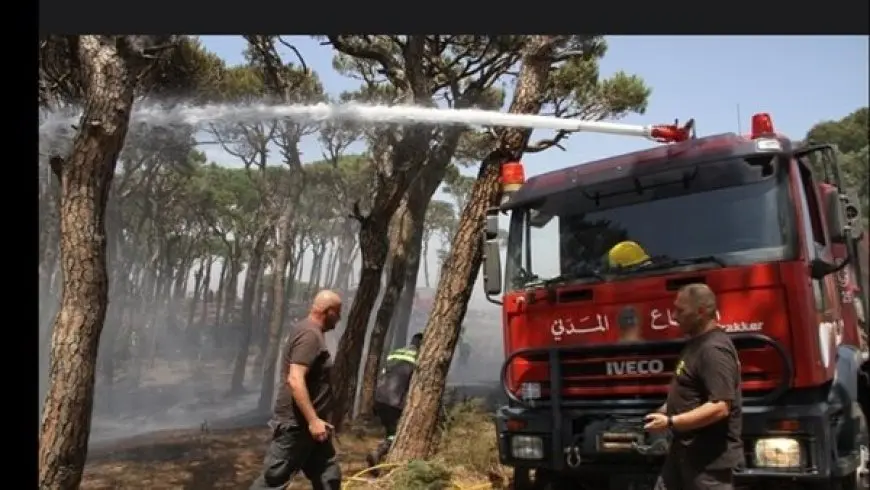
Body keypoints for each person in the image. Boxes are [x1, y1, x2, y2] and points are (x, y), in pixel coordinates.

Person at [644, 283, 743, 490]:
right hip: (683, 453)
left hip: (707, 461)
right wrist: (665, 409)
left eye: (681, 310)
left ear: (701, 312)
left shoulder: (714, 349)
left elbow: (720, 406)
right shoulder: (695, 345)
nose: (674, 316)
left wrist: (672, 421)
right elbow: (691, 389)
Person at [249, 290, 343, 490]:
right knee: (274, 480)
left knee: (329, 475)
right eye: (338, 312)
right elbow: (295, 379)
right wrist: (313, 420)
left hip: (311, 427)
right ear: (329, 312)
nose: (340, 318)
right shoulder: (310, 335)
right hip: (297, 426)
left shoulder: (310, 332)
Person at [366, 332, 424, 470]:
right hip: (395, 401)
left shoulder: (396, 352)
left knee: (390, 431)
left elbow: (386, 372)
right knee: (398, 433)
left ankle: (380, 462)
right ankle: (378, 452)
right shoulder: (421, 357)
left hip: (379, 397)